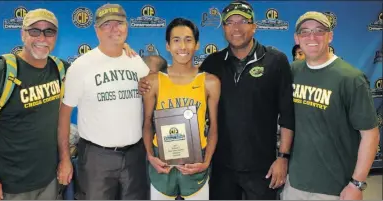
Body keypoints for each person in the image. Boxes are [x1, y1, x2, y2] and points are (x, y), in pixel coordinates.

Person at [139, 1, 295, 200]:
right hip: (221, 167)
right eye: (230, 22)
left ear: (254, 26)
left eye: (242, 21)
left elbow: (287, 114)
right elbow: (183, 78)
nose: (236, 27)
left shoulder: (276, 60)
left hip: (261, 167)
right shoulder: (213, 63)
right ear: (223, 28)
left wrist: (283, 158)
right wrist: (144, 83)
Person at [282, 11, 380, 200]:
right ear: (297, 38)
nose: (312, 37)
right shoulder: (293, 71)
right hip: (295, 182)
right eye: (305, 32)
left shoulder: (351, 79)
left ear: (330, 36)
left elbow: (370, 135)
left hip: (334, 187)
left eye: (319, 31)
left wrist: (357, 184)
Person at [57, 3, 150, 200]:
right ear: (96, 30)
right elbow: (64, 116)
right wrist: (65, 159)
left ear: (127, 26)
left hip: (134, 156)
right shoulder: (81, 66)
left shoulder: (136, 62)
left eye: (119, 23)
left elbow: (153, 92)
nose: (114, 29)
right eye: (107, 24)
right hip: (96, 158)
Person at [0, 9, 69, 200]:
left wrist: (122, 49)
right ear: (23, 34)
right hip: (8, 185)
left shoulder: (60, 69)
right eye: (34, 31)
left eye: (49, 31)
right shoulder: (0, 72)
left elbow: (94, 67)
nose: (42, 38)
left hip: (49, 180)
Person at [142, 18, 220, 200]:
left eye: (188, 39)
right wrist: (150, 156)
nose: (182, 46)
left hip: (196, 164)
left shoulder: (210, 82)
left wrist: (206, 161)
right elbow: (147, 123)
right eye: (176, 40)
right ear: (168, 46)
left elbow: (214, 127)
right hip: (161, 162)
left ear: (197, 44)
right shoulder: (153, 81)